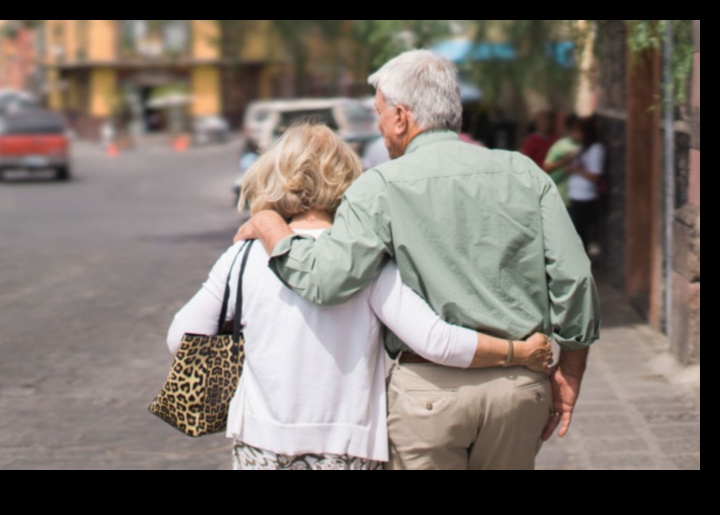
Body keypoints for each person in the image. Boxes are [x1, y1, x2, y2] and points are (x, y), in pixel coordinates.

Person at [235, 51, 601, 471]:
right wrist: (570, 370)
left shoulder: (379, 188)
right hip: (517, 391)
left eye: (378, 112)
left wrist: (268, 225)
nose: (378, 125)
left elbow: (326, 280)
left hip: (427, 393)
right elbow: (574, 278)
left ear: (400, 117)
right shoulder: (524, 172)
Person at [169, 123, 554, 471]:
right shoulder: (366, 262)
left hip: (261, 442)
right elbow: (435, 340)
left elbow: (181, 339)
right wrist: (517, 353)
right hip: (347, 447)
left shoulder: (242, 256)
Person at [566, 117, 605, 252]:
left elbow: (595, 176)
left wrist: (577, 170)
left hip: (586, 197)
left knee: (581, 232)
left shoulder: (596, 149)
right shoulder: (581, 148)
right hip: (575, 195)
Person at [542, 114, 581, 206]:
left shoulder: (586, 147)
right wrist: (563, 162)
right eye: (575, 129)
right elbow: (546, 168)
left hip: (579, 198)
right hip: (561, 197)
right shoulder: (560, 146)